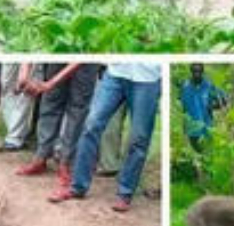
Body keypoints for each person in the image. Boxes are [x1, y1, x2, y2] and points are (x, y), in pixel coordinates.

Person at [59, 62, 161, 213]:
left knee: (139, 138)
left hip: (148, 78)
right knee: (91, 125)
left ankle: (125, 193)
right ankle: (78, 186)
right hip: (116, 72)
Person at [15, 63, 101, 201]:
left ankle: (67, 165)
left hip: (85, 63)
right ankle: (40, 158)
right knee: (50, 102)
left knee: (77, 110)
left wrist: (51, 82)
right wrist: (23, 75)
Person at [180, 63, 227, 151]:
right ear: (191, 72)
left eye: (199, 71)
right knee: (195, 154)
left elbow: (224, 99)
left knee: (207, 153)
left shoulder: (208, 86)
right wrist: (184, 127)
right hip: (192, 130)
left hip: (207, 128)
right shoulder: (185, 87)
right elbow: (183, 108)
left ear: (202, 72)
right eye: (194, 71)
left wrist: (213, 106)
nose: (196, 74)